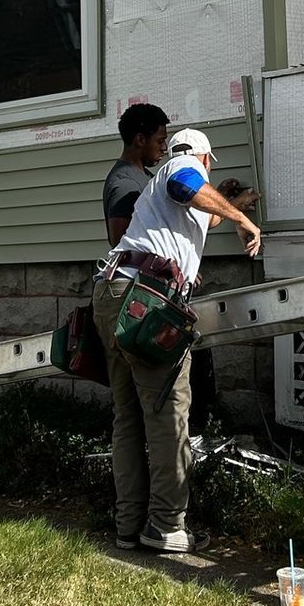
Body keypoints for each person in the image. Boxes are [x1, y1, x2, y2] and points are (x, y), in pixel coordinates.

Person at [93, 127, 261, 553]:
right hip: (145, 303)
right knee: (168, 415)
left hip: (114, 290)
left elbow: (201, 211)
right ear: (204, 159)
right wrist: (243, 219)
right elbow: (186, 186)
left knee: (128, 418)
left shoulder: (162, 197)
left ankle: (129, 526)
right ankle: (166, 526)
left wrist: (233, 205)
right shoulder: (182, 167)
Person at [102, 103, 170, 247]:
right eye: (160, 141)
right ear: (140, 140)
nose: (164, 147)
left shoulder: (144, 176)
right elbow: (121, 246)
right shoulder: (126, 185)